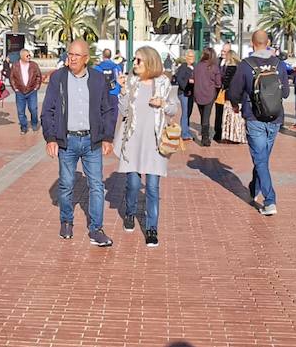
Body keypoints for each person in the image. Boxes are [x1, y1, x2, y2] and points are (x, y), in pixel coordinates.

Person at [42, 40, 118, 247]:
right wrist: (50, 138)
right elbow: (48, 110)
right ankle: (66, 221)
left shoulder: (97, 79)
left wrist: (108, 137)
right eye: (70, 54)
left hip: (91, 141)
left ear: (86, 59)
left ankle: (96, 229)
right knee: (66, 184)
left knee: (96, 185)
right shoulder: (58, 78)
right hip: (67, 141)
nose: (72, 58)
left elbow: (109, 109)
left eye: (77, 55)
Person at [114, 47, 178, 247]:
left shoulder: (163, 83)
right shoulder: (132, 82)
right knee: (133, 184)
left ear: (150, 62)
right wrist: (123, 91)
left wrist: (163, 104)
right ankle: (130, 213)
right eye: (134, 60)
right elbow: (124, 110)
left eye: (138, 60)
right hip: (133, 140)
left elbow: (173, 108)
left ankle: (152, 228)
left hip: (154, 142)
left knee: (152, 187)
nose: (135, 63)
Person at [227, 30, 290, 216]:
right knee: (262, 159)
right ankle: (255, 188)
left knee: (260, 160)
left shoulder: (246, 65)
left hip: (254, 117)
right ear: (268, 42)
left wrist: (235, 105)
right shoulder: (279, 64)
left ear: (252, 44)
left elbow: (233, 91)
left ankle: (270, 201)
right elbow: (285, 93)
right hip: (275, 117)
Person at [191, 48, 223, 147]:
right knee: (206, 116)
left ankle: (204, 136)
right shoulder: (214, 67)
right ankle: (205, 138)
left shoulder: (197, 66)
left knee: (203, 115)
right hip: (209, 94)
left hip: (197, 93)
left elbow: (193, 78)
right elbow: (218, 83)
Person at [10, 48, 43, 135]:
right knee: (21, 111)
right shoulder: (15, 65)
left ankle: (34, 123)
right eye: (27, 55)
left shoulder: (34, 65)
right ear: (22, 57)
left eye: (29, 55)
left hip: (32, 91)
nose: (29, 57)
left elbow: (39, 76)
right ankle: (24, 127)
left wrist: (36, 87)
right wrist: (15, 88)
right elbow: (12, 77)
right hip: (20, 92)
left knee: (33, 109)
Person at [213, 43, 236, 142]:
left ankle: (227, 133)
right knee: (218, 113)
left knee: (227, 114)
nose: (222, 53)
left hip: (228, 92)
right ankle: (217, 132)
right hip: (218, 91)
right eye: (222, 51)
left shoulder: (232, 64)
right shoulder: (217, 61)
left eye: (225, 51)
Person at [172, 50, 195, 142]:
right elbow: (180, 79)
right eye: (189, 56)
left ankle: (186, 130)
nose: (191, 58)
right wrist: (186, 86)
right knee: (185, 112)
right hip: (184, 93)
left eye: (192, 56)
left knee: (189, 112)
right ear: (186, 57)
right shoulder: (183, 67)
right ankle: (184, 133)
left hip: (191, 93)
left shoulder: (195, 67)